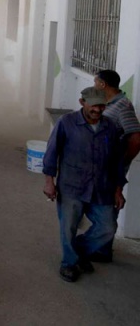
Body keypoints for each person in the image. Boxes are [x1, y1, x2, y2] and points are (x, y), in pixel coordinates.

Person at [42, 86, 125, 282]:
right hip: (72, 186)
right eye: (94, 106)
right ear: (82, 103)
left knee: (107, 228)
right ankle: (69, 264)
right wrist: (49, 182)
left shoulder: (111, 127)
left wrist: (118, 189)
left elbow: (117, 162)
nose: (98, 110)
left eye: (102, 106)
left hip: (102, 187)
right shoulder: (66, 123)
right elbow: (52, 153)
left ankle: (77, 251)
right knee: (68, 226)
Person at [90, 69, 140, 262]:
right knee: (99, 204)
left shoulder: (123, 106)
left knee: (109, 206)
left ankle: (103, 251)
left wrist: (124, 161)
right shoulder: (108, 104)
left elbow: (136, 138)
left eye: (96, 82)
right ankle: (98, 245)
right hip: (101, 165)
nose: (94, 85)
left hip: (112, 168)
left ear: (103, 84)